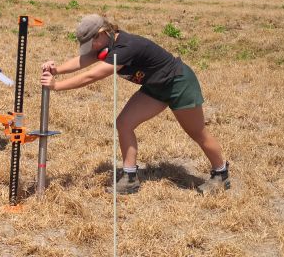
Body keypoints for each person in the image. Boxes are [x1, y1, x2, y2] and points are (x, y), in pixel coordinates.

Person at [40, 14, 230, 195]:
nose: (90, 48)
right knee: (124, 123)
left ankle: (221, 174)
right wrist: (57, 70)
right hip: (155, 87)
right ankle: (130, 177)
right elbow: (85, 59)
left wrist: (57, 86)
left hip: (178, 83)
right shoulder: (107, 44)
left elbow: (92, 75)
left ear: (102, 33)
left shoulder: (126, 47)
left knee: (197, 133)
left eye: (91, 42)